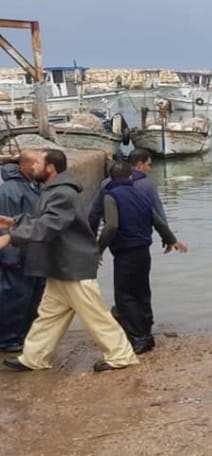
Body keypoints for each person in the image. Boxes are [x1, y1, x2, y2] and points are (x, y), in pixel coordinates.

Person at [0, 149, 138, 373]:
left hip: (73, 266)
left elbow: (49, 227)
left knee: (95, 315)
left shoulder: (62, 193)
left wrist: (10, 237)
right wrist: (14, 222)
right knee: (49, 317)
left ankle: (121, 355)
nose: (31, 167)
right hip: (60, 266)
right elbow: (42, 221)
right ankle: (34, 358)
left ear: (50, 168)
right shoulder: (53, 191)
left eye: (37, 163)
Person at [97, 162, 186, 354]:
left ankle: (140, 338)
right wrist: (170, 239)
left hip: (124, 252)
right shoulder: (142, 195)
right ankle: (146, 330)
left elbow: (111, 226)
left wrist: (99, 249)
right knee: (142, 291)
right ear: (130, 177)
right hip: (143, 252)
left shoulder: (110, 196)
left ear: (111, 179)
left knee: (125, 296)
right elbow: (157, 221)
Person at [0, 151, 45, 353]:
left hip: (32, 253)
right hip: (17, 254)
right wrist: (10, 255)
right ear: (24, 166)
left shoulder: (33, 186)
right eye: (36, 163)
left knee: (29, 297)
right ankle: (9, 339)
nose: (39, 167)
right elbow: (4, 225)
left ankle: (22, 334)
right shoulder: (10, 190)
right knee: (15, 297)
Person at [89, 148, 166, 227]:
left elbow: (95, 213)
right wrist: (169, 237)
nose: (149, 169)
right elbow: (159, 212)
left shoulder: (106, 183)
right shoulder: (148, 185)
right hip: (140, 234)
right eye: (148, 165)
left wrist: (92, 236)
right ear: (140, 165)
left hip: (112, 234)